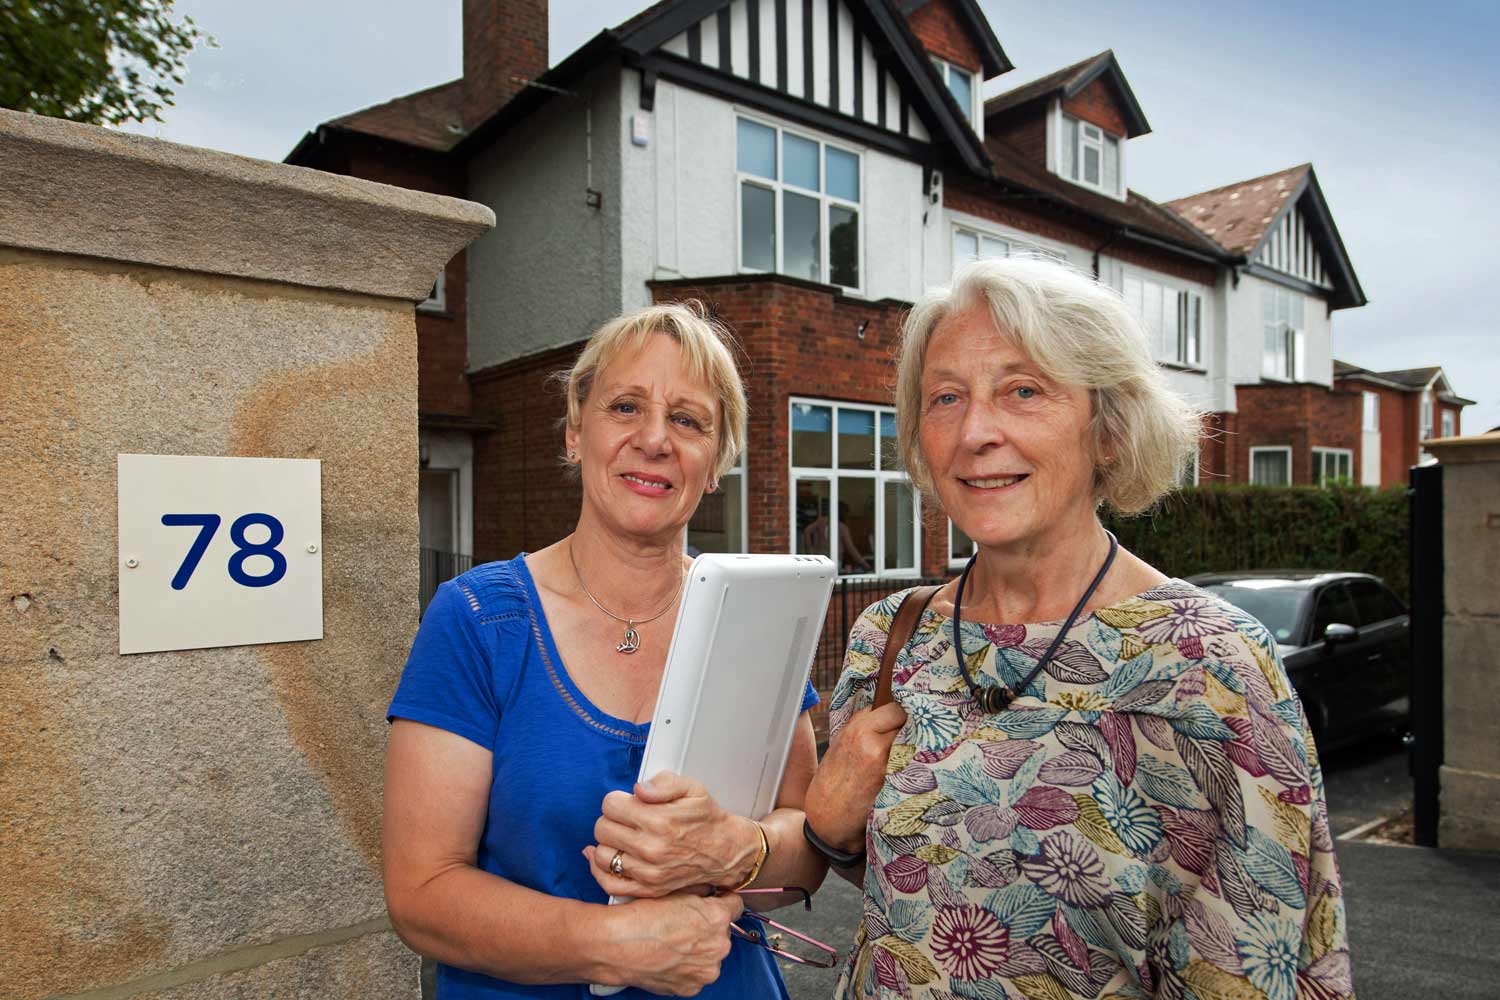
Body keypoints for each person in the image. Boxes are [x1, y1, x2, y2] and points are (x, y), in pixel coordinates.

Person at [803, 258, 1353, 1000]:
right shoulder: (891, 638)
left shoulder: (1207, 663)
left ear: (1110, 431)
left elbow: (1262, 964)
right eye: (945, 398)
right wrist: (828, 828)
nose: (974, 432)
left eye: (1023, 390)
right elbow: (904, 886)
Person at [384, 302, 827, 998]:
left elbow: (805, 857)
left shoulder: (756, 620)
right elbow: (422, 894)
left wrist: (741, 850)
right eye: (625, 406)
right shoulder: (478, 620)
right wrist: (609, 945)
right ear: (573, 432)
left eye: (688, 420)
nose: (654, 439)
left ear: (716, 462)